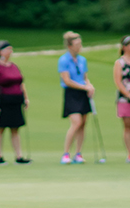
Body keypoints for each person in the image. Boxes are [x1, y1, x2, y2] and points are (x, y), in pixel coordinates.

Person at [0, 40, 31, 165]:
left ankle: (19, 156)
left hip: (15, 101)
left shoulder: (14, 66)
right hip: (2, 100)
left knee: (15, 129)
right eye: (8, 49)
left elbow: (21, 83)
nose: (10, 52)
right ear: (0, 51)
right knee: (0, 128)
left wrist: (25, 98)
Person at [57, 31, 97, 165]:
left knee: (83, 124)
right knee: (76, 122)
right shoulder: (63, 60)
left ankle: (78, 153)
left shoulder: (82, 59)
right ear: (70, 46)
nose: (80, 46)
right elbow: (67, 81)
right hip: (71, 93)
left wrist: (90, 86)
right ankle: (66, 153)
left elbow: (84, 77)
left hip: (83, 92)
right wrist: (84, 87)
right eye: (77, 44)